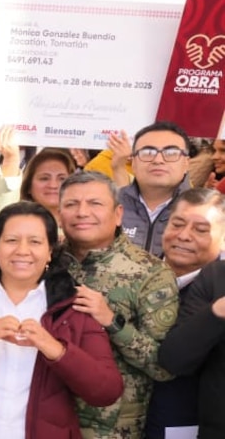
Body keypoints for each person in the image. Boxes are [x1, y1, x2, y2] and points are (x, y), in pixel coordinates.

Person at [0, 201, 123, 439]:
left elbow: (106, 391)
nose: (22, 250)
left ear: (50, 250)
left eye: (35, 241)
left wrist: (55, 349)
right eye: (11, 240)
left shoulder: (73, 304)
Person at [57, 172, 178, 438]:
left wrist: (112, 321)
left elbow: (163, 366)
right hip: (45, 415)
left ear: (118, 214)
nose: (82, 212)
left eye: (95, 203)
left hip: (109, 428)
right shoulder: (44, 260)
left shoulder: (150, 273)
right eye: (71, 204)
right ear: (59, 213)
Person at [152, 189, 225, 438]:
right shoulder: (135, 273)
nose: (184, 236)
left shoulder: (219, 285)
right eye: (177, 224)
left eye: (201, 230)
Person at [119, 122, 192, 257]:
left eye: (171, 153)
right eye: (148, 152)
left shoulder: (206, 210)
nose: (158, 160)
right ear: (133, 162)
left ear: (186, 163)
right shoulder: (109, 205)